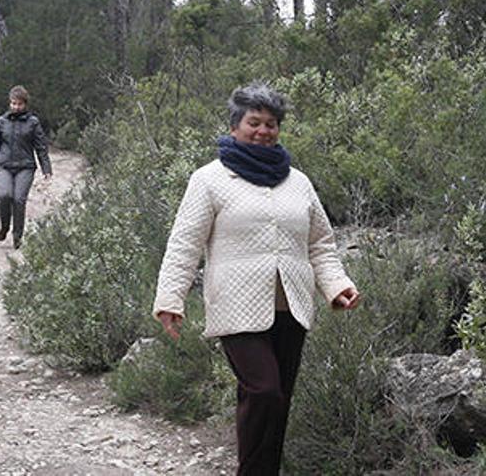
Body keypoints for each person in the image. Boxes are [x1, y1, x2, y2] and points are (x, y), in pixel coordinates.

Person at [152, 83, 360, 475]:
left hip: (292, 307)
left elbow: (320, 244)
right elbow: (185, 244)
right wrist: (170, 299)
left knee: (278, 401)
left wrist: (337, 285)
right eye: (254, 122)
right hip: (237, 305)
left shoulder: (297, 182)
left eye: (271, 124)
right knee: (263, 392)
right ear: (235, 126)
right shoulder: (209, 180)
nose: (263, 130)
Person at [0, 86, 53, 249]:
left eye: (19, 104)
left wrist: (46, 169)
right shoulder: (2, 121)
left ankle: (17, 236)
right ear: (9, 103)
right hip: (4, 166)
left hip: (25, 167)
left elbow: (41, 147)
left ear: (25, 104)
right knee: (4, 195)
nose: (16, 107)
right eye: (13, 103)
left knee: (19, 199)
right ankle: (5, 226)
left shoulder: (33, 123)